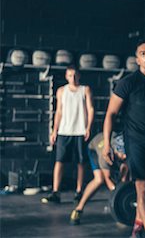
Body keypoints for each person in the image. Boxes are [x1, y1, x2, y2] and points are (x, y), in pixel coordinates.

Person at [102, 40, 145, 238]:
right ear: (137, 59)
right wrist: (107, 144)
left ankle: (138, 226)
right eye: (142, 53)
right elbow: (111, 114)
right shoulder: (128, 83)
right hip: (135, 139)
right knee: (142, 185)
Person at [42, 65, 94, 204]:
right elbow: (58, 111)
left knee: (81, 163)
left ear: (79, 75)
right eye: (70, 75)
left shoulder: (85, 89)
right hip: (64, 131)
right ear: (66, 76)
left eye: (75, 75)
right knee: (59, 161)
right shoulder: (61, 91)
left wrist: (88, 127)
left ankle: (79, 191)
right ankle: (55, 192)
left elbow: (90, 109)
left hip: (80, 131)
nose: (73, 78)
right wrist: (55, 130)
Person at [69, 131, 128, 225]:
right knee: (99, 179)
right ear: (116, 151)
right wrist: (119, 197)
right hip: (94, 149)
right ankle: (78, 209)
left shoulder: (125, 153)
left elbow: (124, 174)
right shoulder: (105, 156)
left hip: (109, 141)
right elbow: (108, 179)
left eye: (125, 154)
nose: (124, 156)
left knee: (123, 177)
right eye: (122, 154)